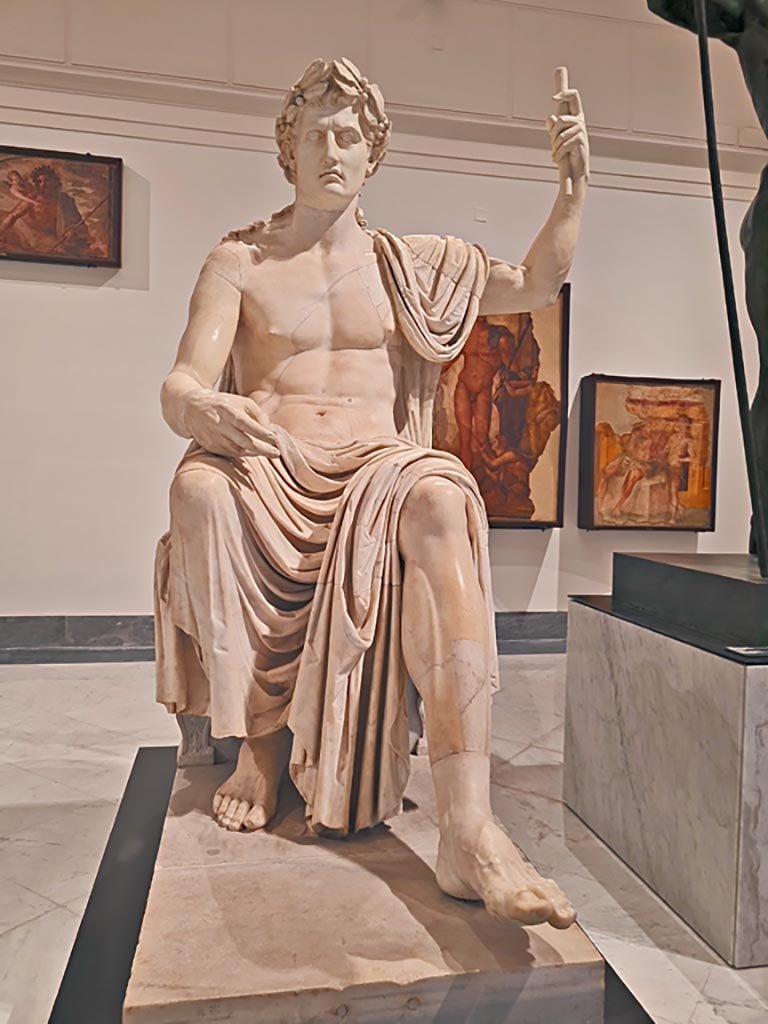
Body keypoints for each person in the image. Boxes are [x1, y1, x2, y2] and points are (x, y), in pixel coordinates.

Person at [155, 58, 588, 928]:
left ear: (373, 154)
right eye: (314, 133)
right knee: (198, 493)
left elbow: (536, 284)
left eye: (348, 135)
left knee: (440, 492)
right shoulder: (239, 258)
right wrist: (204, 407)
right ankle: (260, 748)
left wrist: (571, 190)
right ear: (288, 149)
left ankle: (469, 825)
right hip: (267, 465)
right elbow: (182, 381)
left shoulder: (414, 266)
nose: (331, 149)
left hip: (377, 469)